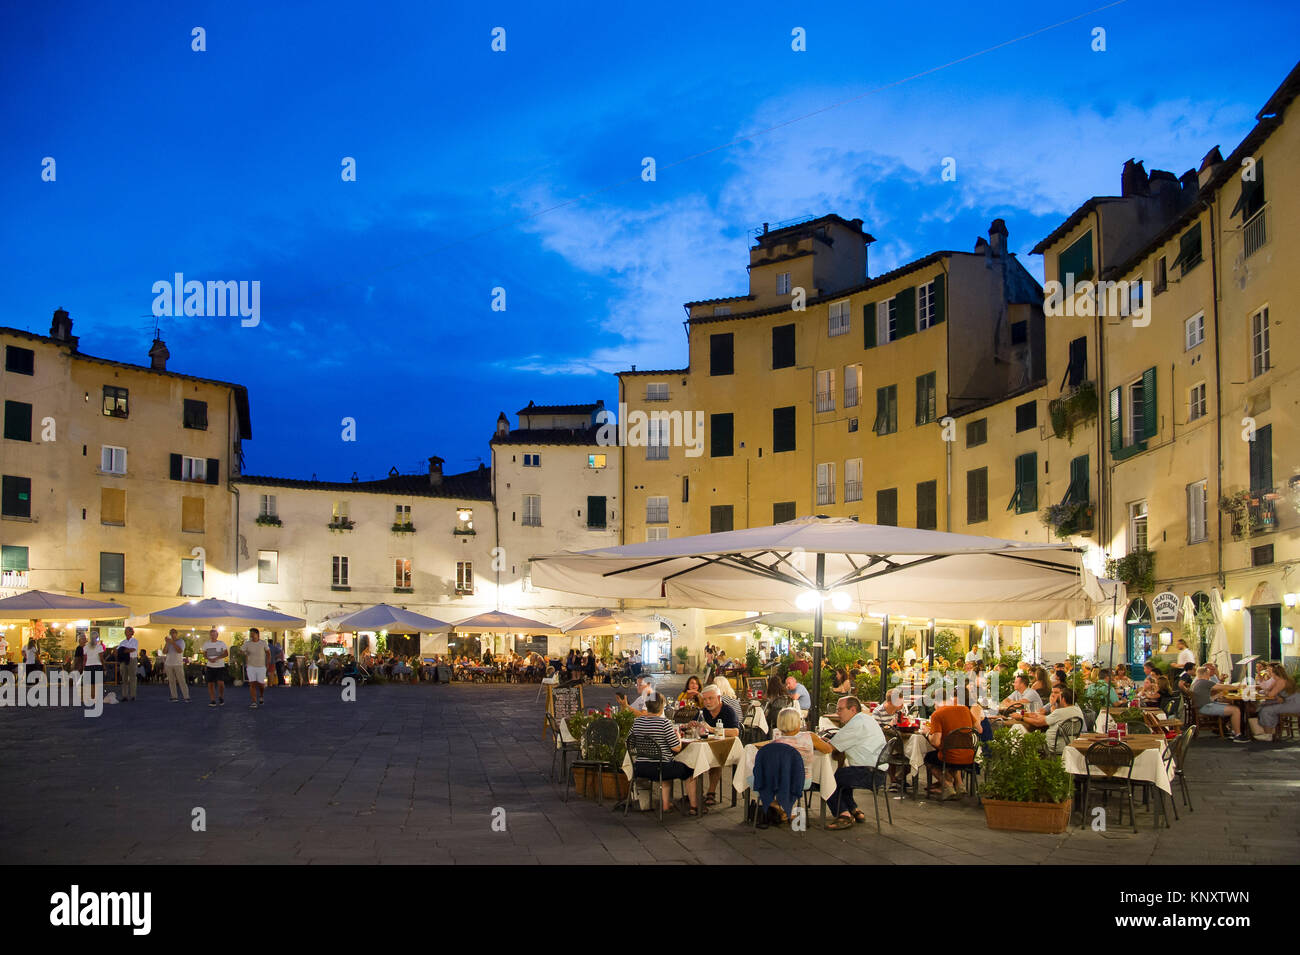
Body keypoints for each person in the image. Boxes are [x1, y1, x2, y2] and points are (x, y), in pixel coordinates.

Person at [824, 696, 887, 829]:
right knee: (843, 774)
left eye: (840, 709)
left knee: (827, 778)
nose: (837, 713)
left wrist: (812, 739)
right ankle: (853, 810)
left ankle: (843, 814)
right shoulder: (866, 719)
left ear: (852, 709)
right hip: (878, 772)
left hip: (868, 773)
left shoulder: (855, 724)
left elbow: (830, 747)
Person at [631, 696, 699, 815]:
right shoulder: (664, 723)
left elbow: (630, 742)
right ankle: (694, 806)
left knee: (665, 766)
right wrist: (678, 737)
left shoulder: (637, 722)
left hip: (640, 767)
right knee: (691, 769)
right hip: (662, 768)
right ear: (661, 707)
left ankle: (666, 806)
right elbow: (676, 748)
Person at [766, 706, 834, 823]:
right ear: (798, 722)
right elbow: (828, 749)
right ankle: (782, 808)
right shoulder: (809, 737)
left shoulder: (775, 742)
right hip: (804, 781)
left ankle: (779, 806)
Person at [923, 688, 977, 801]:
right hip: (970, 755)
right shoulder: (965, 710)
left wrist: (927, 732)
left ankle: (947, 785)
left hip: (950, 756)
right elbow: (978, 729)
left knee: (928, 758)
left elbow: (936, 742)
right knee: (951, 753)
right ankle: (960, 785)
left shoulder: (937, 714)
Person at [694, 685, 740, 806]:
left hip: (726, 748)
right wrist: (692, 726)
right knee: (691, 757)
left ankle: (711, 792)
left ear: (719, 698)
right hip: (706, 746)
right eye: (705, 699)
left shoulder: (728, 711)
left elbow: (735, 732)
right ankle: (693, 794)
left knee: (716, 758)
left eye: (711, 698)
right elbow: (697, 726)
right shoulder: (703, 712)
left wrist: (712, 729)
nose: (707, 702)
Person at [1013, 686, 1085, 754]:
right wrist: (1032, 715)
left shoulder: (1060, 712)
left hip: (1052, 745)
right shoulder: (1077, 710)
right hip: (1068, 743)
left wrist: (1021, 718)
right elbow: (1047, 718)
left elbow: (1038, 723)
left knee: (1018, 730)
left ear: (1063, 699)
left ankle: (1014, 756)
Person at [1189, 667, 1246, 741]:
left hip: (1202, 706)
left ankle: (1233, 731)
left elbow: (1205, 698)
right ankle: (1238, 735)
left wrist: (1217, 696)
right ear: (1205, 674)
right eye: (1209, 674)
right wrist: (1238, 686)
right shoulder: (1204, 682)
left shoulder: (1196, 682)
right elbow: (1223, 686)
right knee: (1235, 710)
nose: (1210, 676)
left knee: (1231, 706)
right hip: (1206, 707)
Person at [1249, 669, 1300, 741]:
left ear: (1275, 672)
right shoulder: (1277, 680)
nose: (1267, 672)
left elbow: (1270, 693)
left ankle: (1268, 735)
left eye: (1269, 671)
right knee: (1263, 706)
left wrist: (1269, 692)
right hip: (1288, 702)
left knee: (1266, 710)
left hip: (1294, 704)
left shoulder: (1281, 681)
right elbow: (1267, 689)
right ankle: (1271, 731)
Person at [242, 628, 271, 707]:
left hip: (261, 666)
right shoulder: (247, 643)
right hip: (251, 666)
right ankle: (254, 701)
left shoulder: (263, 643)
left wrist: (268, 663)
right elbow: (241, 651)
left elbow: (268, 653)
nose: (251, 635)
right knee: (252, 683)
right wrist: (245, 653)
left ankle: (261, 696)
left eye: (252, 633)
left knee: (261, 684)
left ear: (257, 634)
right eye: (250, 634)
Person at [200, 628, 228, 707]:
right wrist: (209, 659)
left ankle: (221, 696)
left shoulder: (221, 643)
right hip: (210, 666)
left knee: (220, 683)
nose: (212, 636)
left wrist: (217, 658)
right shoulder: (206, 644)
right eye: (211, 635)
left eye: (214, 634)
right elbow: (204, 654)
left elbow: (226, 654)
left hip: (220, 666)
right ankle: (212, 700)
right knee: (210, 684)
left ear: (217, 635)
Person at [163, 629, 190, 702]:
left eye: (173, 633)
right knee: (171, 681)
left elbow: (179, 651)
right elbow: (164, 651)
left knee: (181, 680)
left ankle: (186, 696)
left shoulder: (181, 641)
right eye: (171, 633)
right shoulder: (168, 642)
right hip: (169, 663)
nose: (172, 634)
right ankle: (174, 696)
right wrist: (167, 643)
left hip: (178, 664)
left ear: (176, 634)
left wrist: (173, 643)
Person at [118, 627, 139, 702]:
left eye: (128, 631)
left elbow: (133, 649)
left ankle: (133, 695)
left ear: (132, 632)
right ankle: (125, 695)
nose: (126, 632)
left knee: (132, 678)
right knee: (124, 678)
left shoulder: (134, 641)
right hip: (124, 661)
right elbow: (118, 649)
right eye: (126, 631)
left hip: (132, 659)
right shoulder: (123, 642)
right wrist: (124, 650)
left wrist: (123, 650)